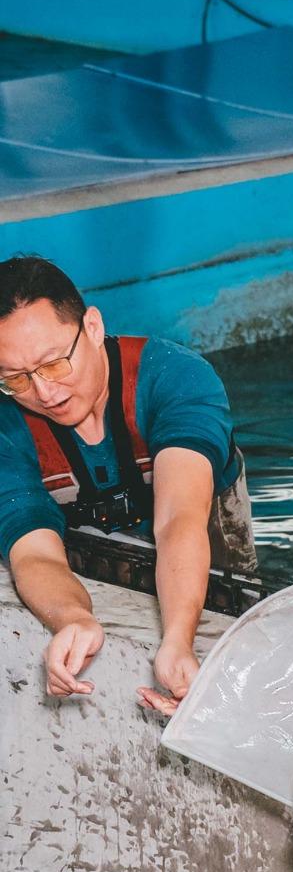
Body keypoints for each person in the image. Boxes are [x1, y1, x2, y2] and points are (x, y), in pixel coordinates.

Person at [0, 253, 256, 713]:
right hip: (85, 568)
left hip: (206, 561)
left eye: (55, 364)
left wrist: (179, 641)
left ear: (93, 328)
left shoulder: (176, 377)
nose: (45, 392)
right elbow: (34, 551)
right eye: (16, 378)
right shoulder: (6, 425)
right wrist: (73, 618)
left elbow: (179, 520)